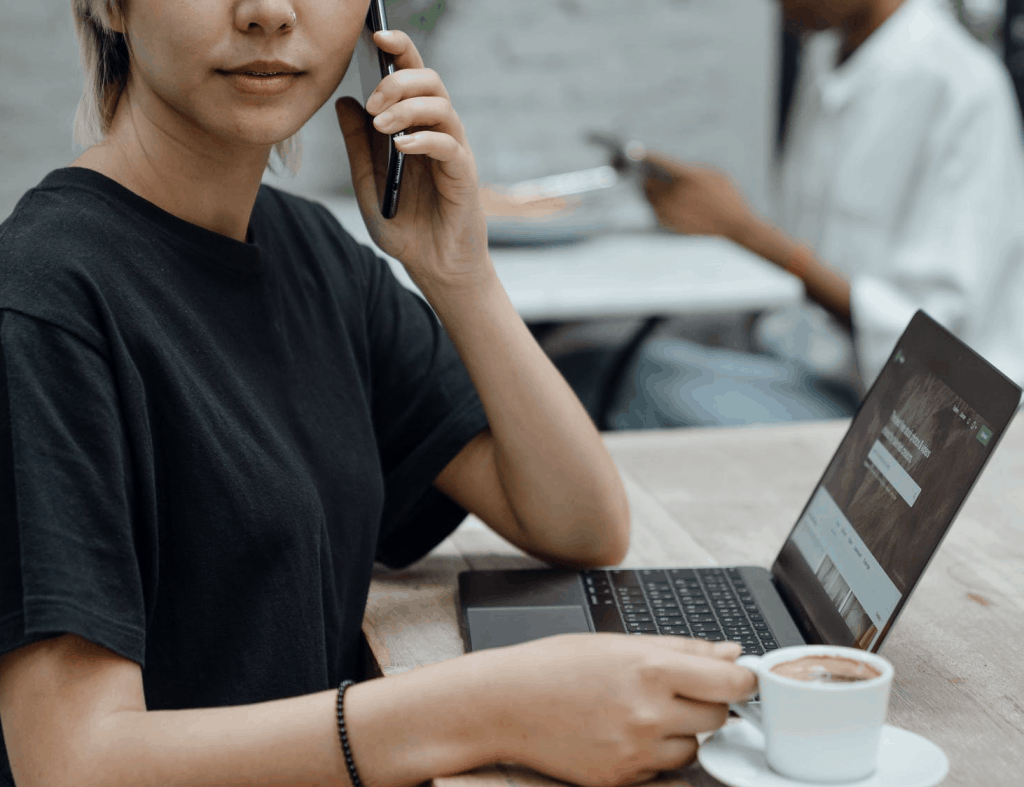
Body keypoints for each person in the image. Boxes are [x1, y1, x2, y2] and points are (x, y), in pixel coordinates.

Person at [0, 2, 757, 786]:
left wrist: (458, 274)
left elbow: (580, 520)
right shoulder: (45, 303)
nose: (267, 11)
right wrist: (488, 708)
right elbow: (73, 763)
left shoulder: (311, 253)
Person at [641, 0, 1024, 403]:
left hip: (901, 410)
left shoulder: (963, 87)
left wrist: (744, 231)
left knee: (631, 382)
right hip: (802, 364)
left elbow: (933, 341)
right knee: (602, 360)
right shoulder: (827, 57)